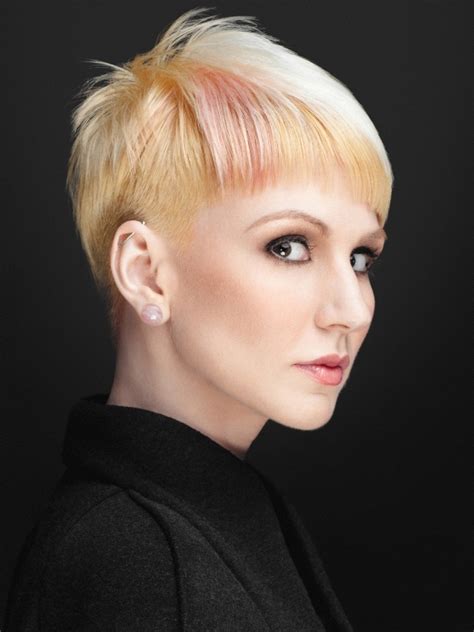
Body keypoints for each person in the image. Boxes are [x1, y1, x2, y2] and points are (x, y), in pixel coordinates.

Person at [3, 7, 393, 631]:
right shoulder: (138, 565)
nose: (351, 310)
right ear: (145, 272)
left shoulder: (198, 519)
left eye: (360, 257)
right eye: (288, 246)